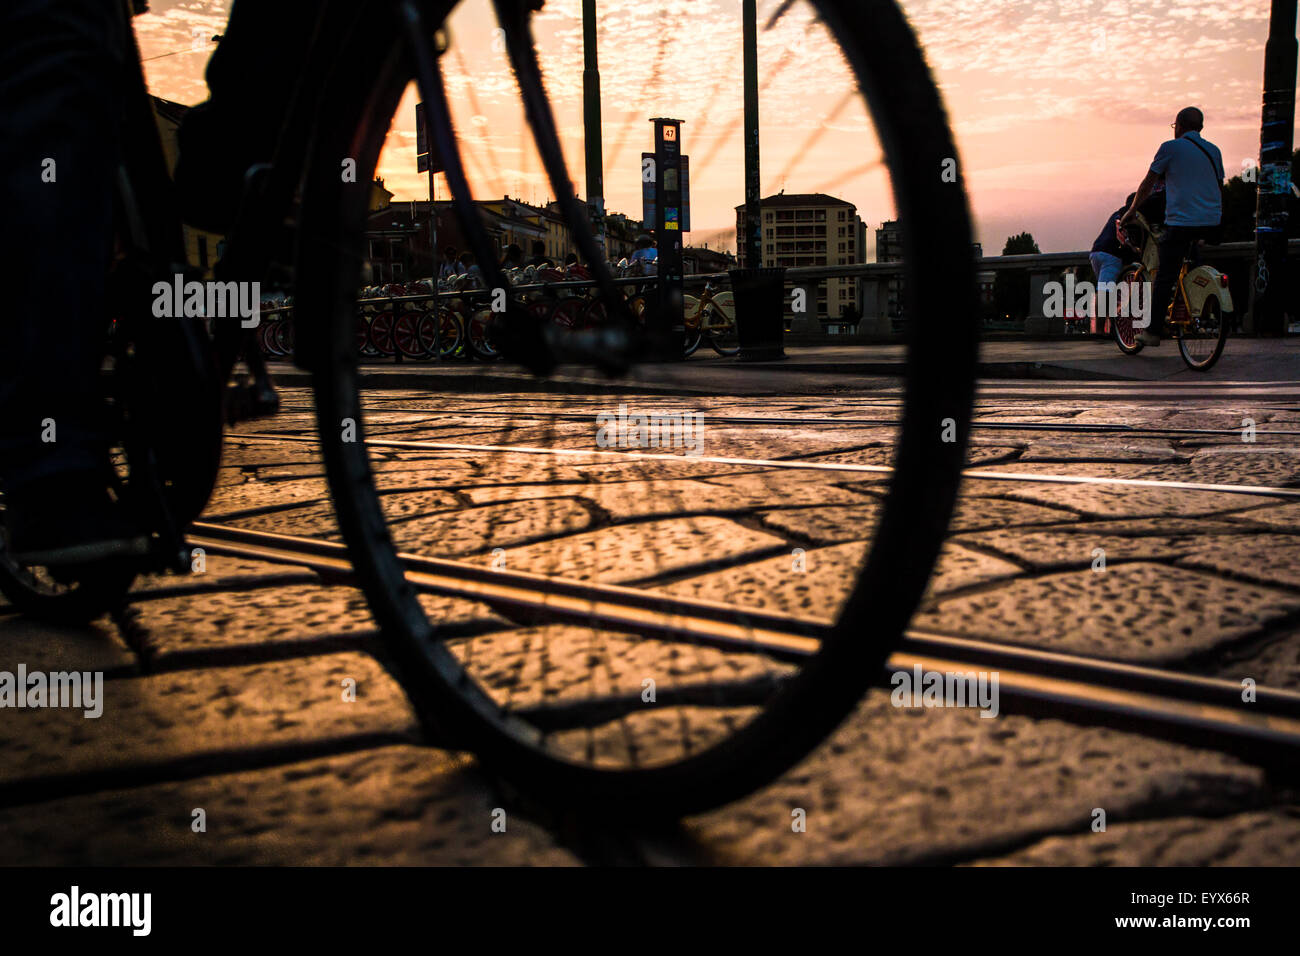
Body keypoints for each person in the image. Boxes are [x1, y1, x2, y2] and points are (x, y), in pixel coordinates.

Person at [1118, 107, 1224, 346]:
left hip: (1182, 224)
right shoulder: (1214, 151)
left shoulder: (1170, 148)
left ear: (1178, 125)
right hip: (1213, 222)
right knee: (1190, 256)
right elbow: (1218, 187)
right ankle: (1200, 306)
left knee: (1166, 275)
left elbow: (1147, 185)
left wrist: (1131, 212)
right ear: (1201, 128)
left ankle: (1153, 331)